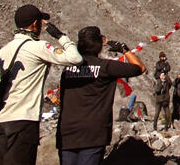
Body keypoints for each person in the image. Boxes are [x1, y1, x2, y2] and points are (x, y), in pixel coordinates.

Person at [0, 4, 83, 165]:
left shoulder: (2, 52)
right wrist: (60, 36)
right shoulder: (37, 47)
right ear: (34, 24)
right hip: (23, 121)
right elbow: (75, 59)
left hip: (1, 123)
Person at [56, 26, 146, 164]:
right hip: (93, 132)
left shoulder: (67, 70)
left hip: (67, 132)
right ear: (98, 44)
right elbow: (140, 68)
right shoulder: (105, 67)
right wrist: (123, 49)